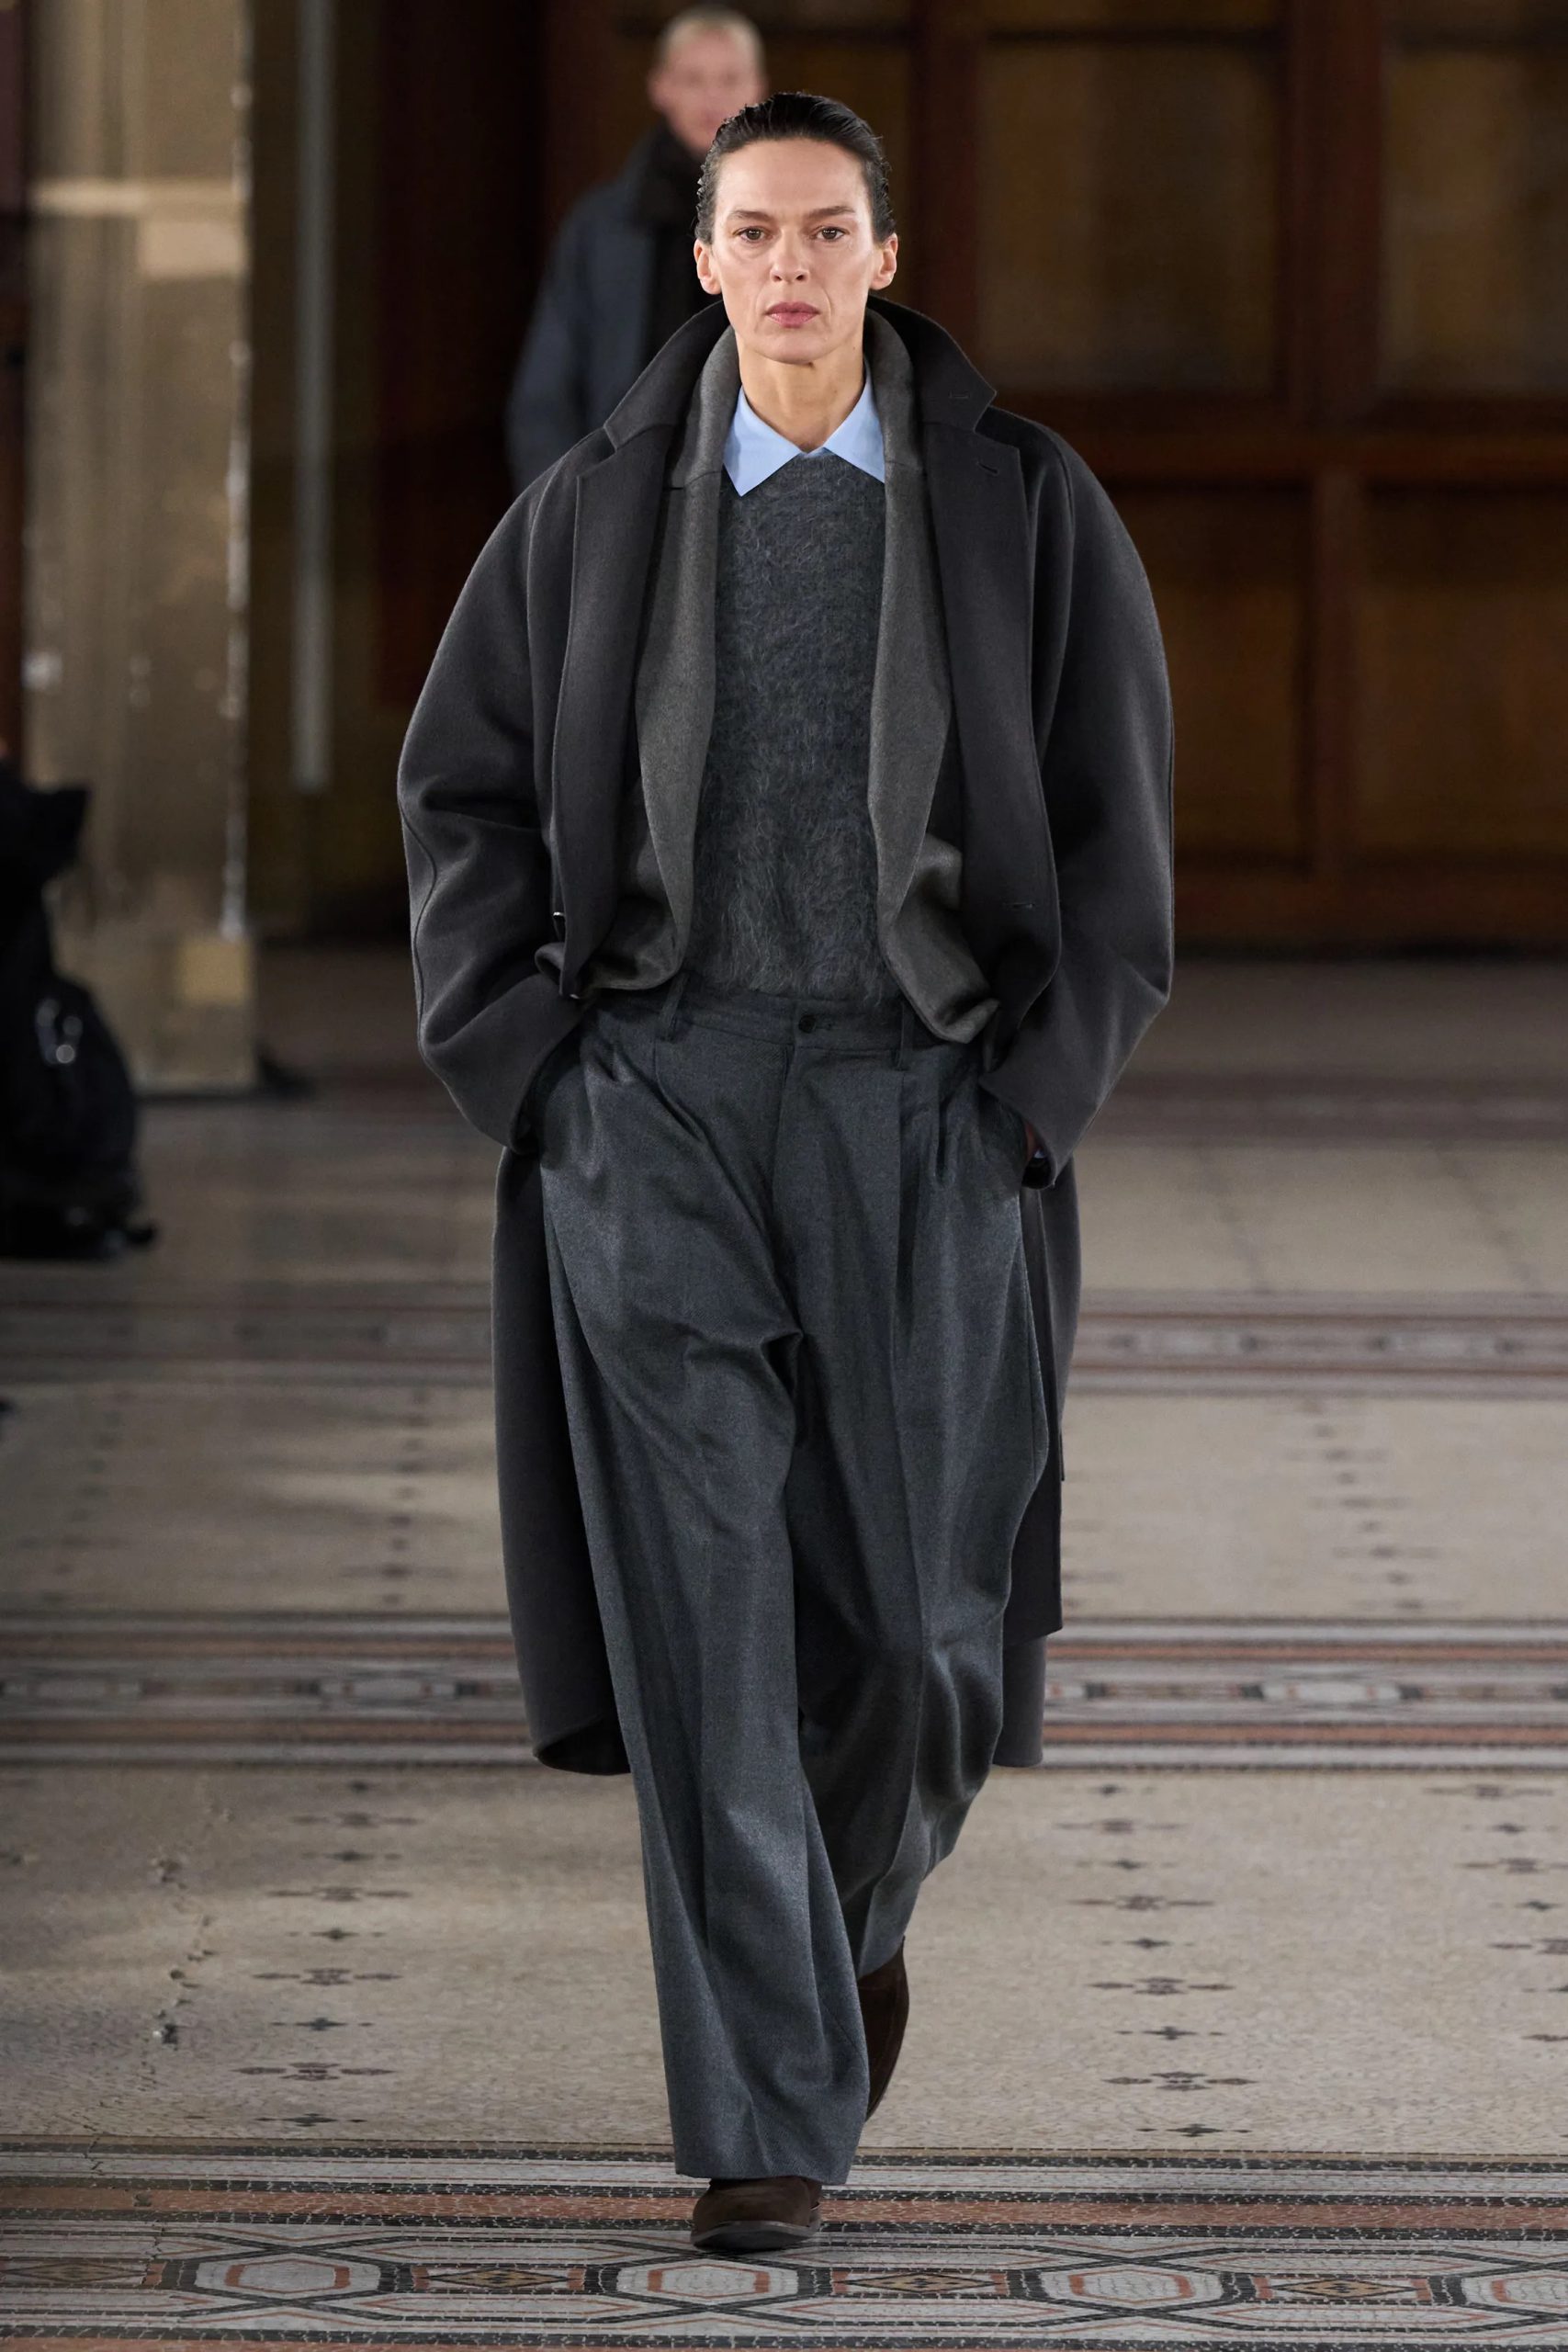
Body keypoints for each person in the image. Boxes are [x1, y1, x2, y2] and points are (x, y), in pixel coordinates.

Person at [399, 92, 1173, 2255]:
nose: (791, 267)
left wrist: (1025, 1102)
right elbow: (461, 791)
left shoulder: (1020, 506)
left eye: (828, 231)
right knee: (706, 1622)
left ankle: (825, 1950)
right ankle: (766, 2124)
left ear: (883, 255)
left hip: (925, 1104)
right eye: (754, 232)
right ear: (705, 259)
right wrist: (538, 1074)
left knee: (925, 1634)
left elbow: (1114, 841)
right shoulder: (589, 509)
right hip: (657, 1102)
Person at [505, 6, 766, 494]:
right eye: (693, 79)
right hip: (621, 490)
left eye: (729, 79)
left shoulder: (794, 223)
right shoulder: (601, 227)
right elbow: (545, 397)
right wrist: (564, 508)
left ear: (757, 89)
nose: (712, 96)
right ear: (660, 87)